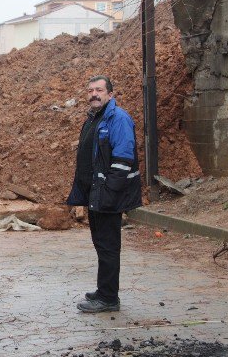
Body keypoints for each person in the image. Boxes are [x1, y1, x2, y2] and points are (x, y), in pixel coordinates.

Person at [66, 75, 142, 313]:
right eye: (90, 91)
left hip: (108, 195)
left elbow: (123, 158)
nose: (94, 94)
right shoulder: (95, 118)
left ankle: (109, 299)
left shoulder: (118, 118)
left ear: (110, 93)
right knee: (101, 244)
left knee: (108, 246)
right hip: (95, 194)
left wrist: (110, 192)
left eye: (99, 90)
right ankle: (104, 290)